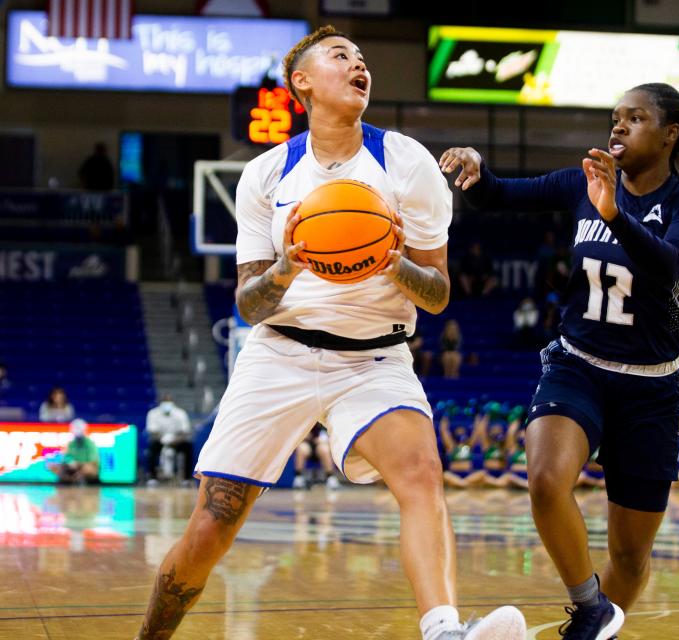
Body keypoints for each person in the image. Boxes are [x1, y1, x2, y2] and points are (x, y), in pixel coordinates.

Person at [135, 26, 525, 640]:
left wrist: (393, 262)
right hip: (280, 354)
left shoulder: (406, 161)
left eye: (364, 58)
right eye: (341, 56)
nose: (358, 64)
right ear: (303, 83)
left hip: (374, 358)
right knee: (212, 525)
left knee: (423, 473)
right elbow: (248, 305)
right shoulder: (265, 175)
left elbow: (441, 294)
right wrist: (287, 268)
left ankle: (445, 630)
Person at [440, 81, 679, 639]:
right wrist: (476, 167)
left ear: (670, 135)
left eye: (634, 119)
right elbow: (498, 195)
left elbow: (668, 265)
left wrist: (614, 212)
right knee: (544, 479)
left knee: (632, 556)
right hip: (578, 365)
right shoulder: (579, 183)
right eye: (614, 117)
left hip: (651, 390)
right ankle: (588, 606)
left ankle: (590, 632)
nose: (617, 127)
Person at [145, 395, 194, 484]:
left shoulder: (180, 413)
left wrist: (174, 441)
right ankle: (152, 477)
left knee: (188, 447)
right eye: (165, 402)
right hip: (160, 440)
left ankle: (187, 478)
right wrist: (163, 440)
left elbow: (185, 431)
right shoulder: (153, 413)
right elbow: (152, 432)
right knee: (152, 447)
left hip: (177, 441)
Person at [48, 419, 99, 484]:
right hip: (72, 468)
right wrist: (70, 462)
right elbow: (66, 458)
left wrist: (78, 464)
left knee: (88, 468)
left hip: (83, 467)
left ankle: (79, 479)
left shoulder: (90, 444)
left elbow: (92, 461)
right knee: (53, 466)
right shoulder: (71, 444)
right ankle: (68, 480)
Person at [293, 424, 340, 489]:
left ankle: (330, 477)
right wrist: (304, 436)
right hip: (307, 444)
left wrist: (323, 439)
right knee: (300, 448)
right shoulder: (304, 418)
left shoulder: (323, 419)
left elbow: (329, 435)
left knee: (325, 450)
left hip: (320, 445)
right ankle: (298, 477)